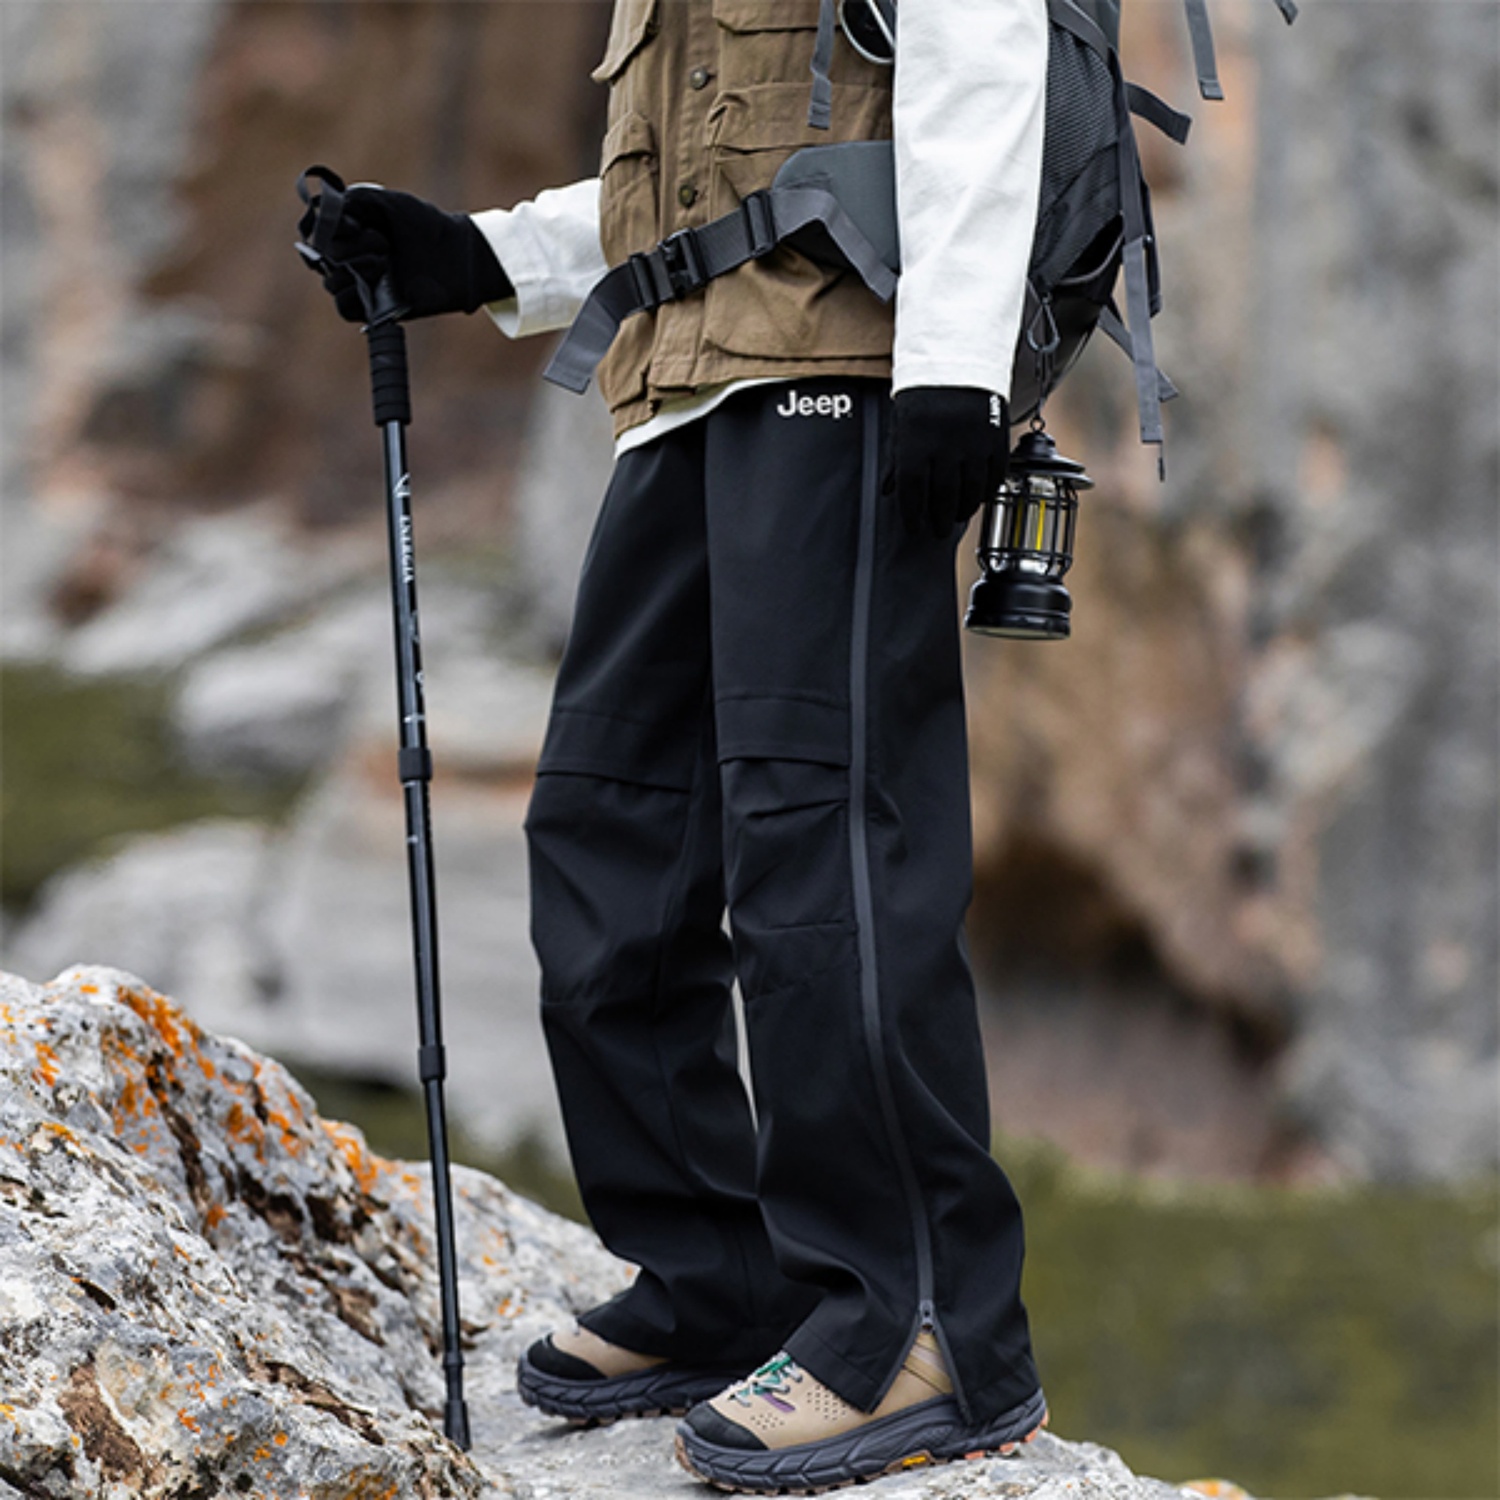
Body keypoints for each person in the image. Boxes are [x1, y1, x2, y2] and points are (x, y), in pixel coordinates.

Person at [304, 0, 1050, 1490]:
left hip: (847, 385)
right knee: (604, 827)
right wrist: (483, 256)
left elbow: (983, 69)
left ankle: (928, 1330)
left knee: (817, 850)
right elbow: (700, 180)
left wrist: (956, 367)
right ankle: (724, 1280)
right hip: (680, 401)